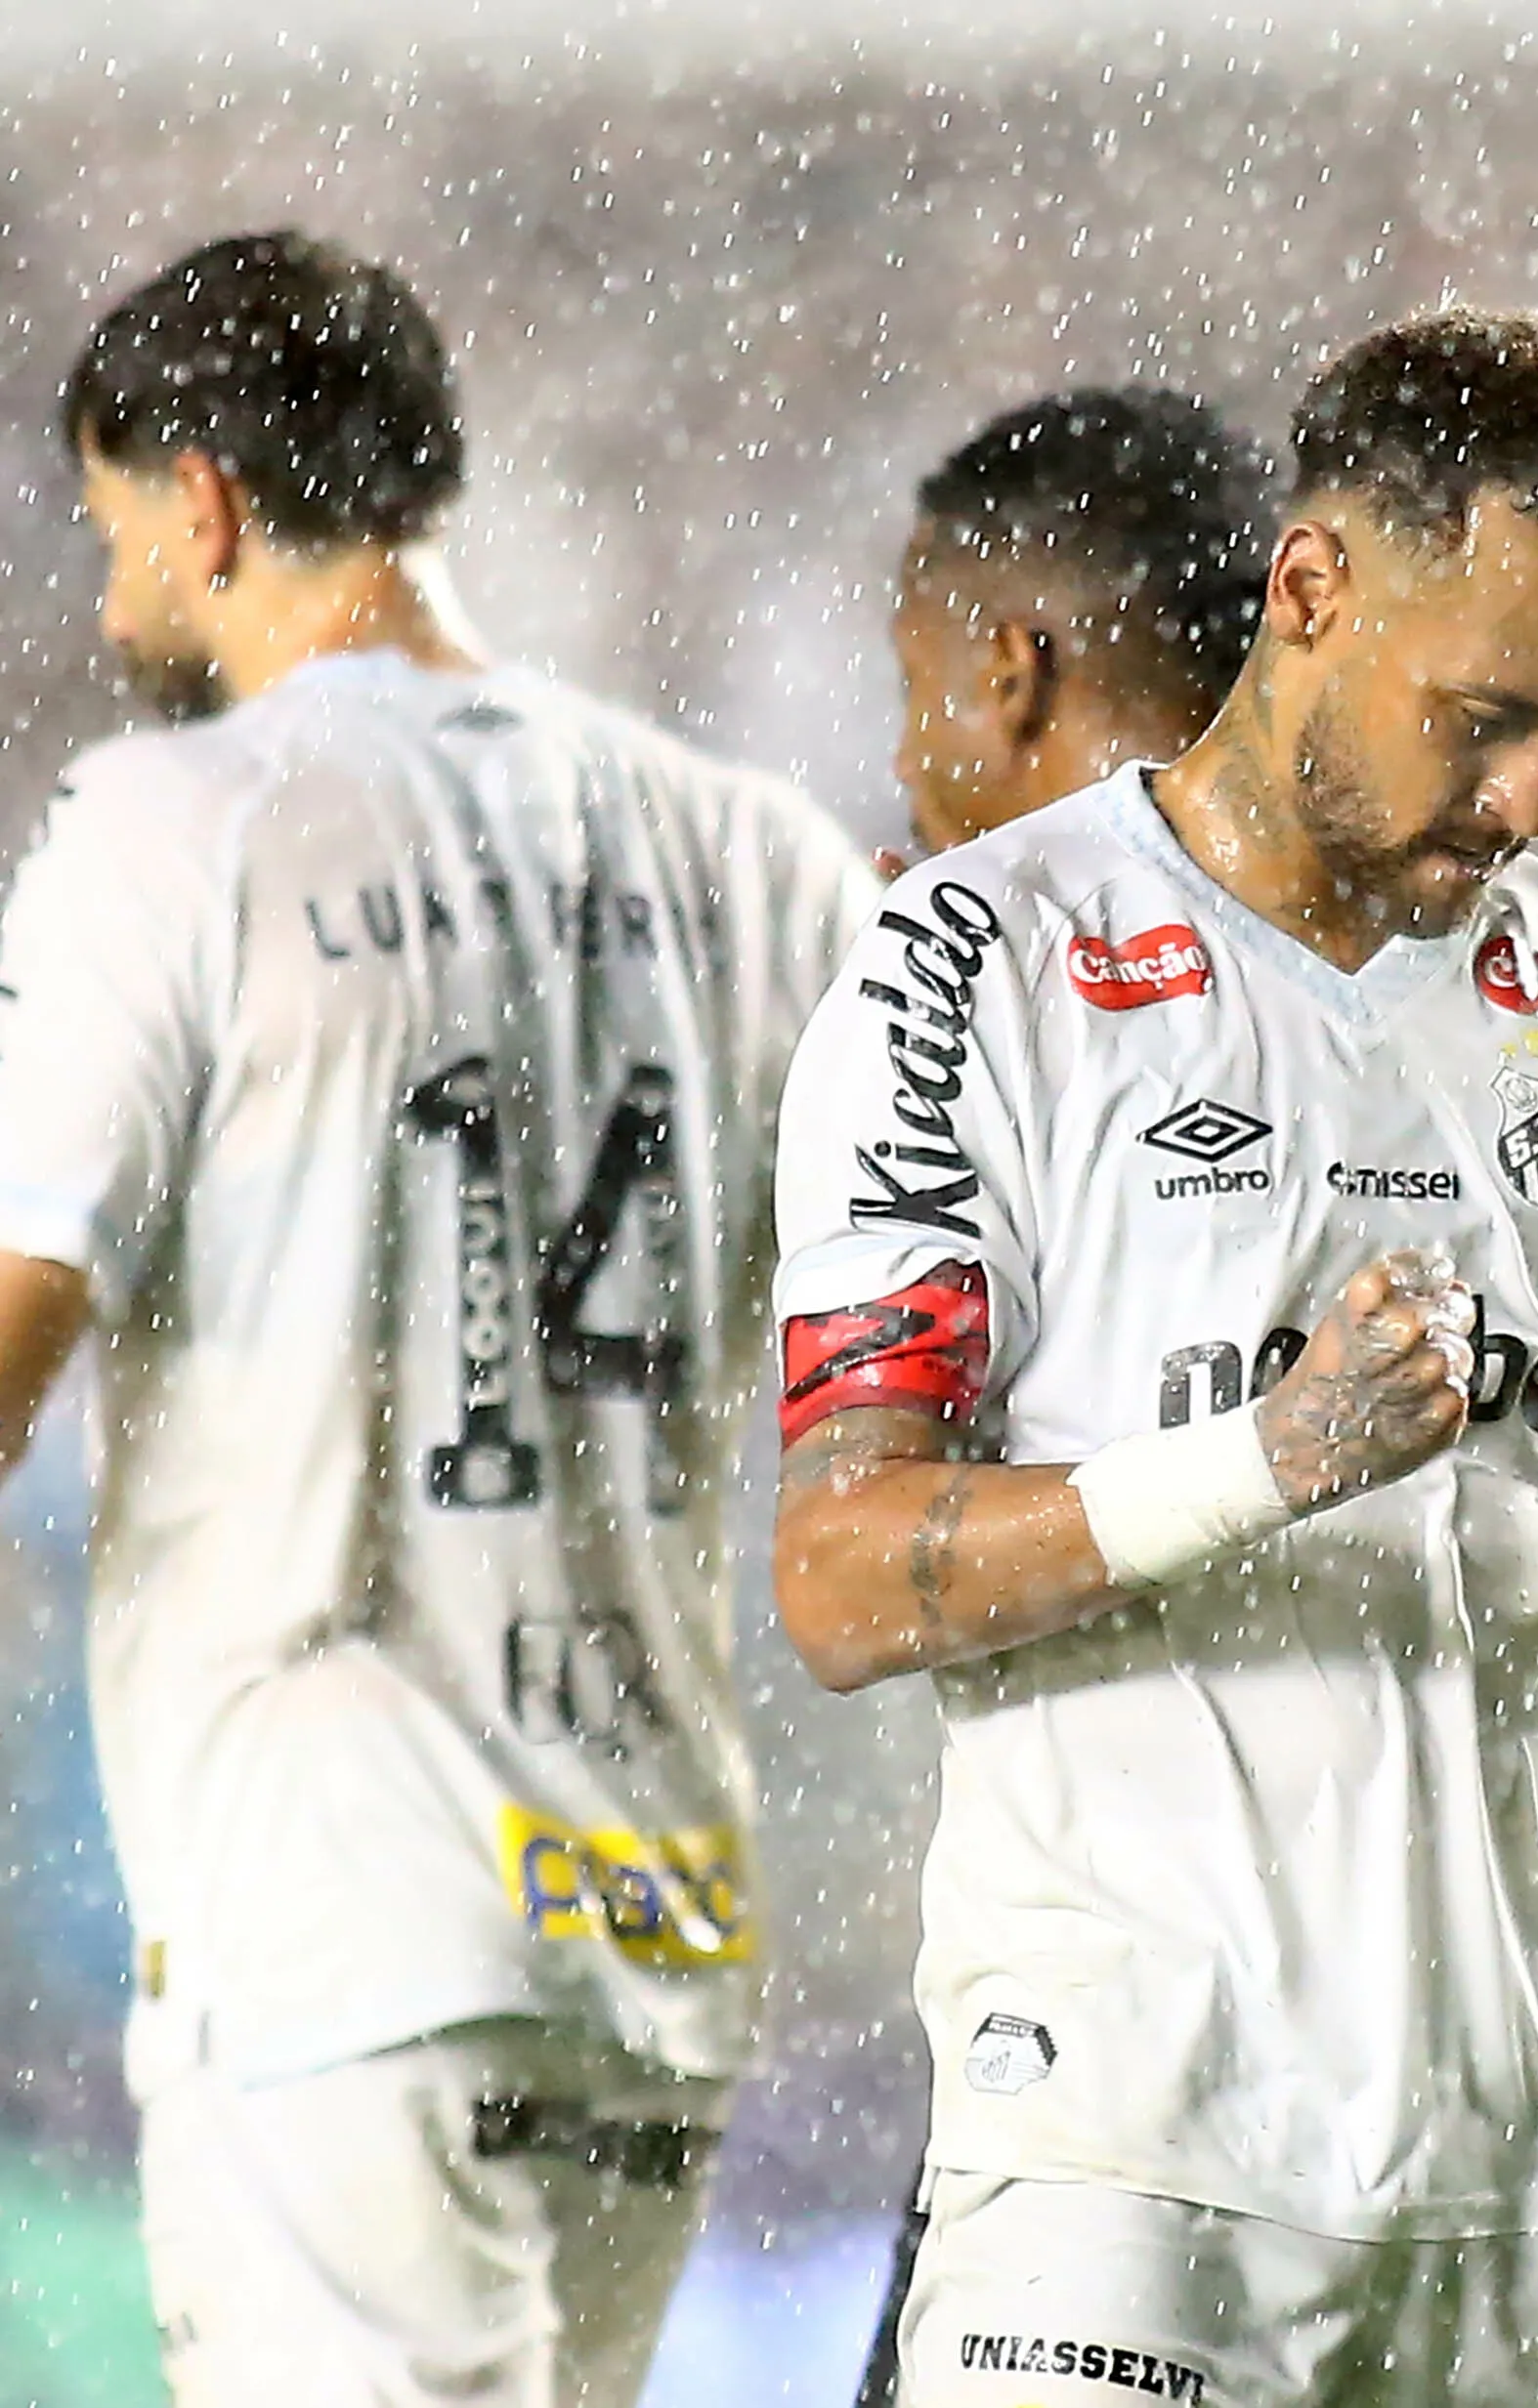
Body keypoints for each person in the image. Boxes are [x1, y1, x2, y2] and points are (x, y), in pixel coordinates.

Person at [771, 306, 1538, 2408]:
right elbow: (848, 1571)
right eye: (1485, 713)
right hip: (1141, 2187)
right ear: (1309, 591)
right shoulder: (970, 959)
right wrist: (1264, 1456)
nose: (1526, 793)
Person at [0, 231, 877, 2404]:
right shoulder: (758, 855)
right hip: (652, 1937)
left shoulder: (173, 827)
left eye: (118, 538)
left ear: (203, 503)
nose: (113, 612)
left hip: (346, 1923)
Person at [849, 380, 1274, 2408]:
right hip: (1441, 2103)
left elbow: (853, 1579)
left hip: (1108, 2095)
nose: (906, 739)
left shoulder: (971, 986)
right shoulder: (1464, 960)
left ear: (1009, 664)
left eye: (917, 671)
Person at [886, 385, 1276, 863]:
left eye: (914, 683)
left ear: (1011, 677)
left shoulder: (968, 923)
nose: (903, 763)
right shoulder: (1360, 905)